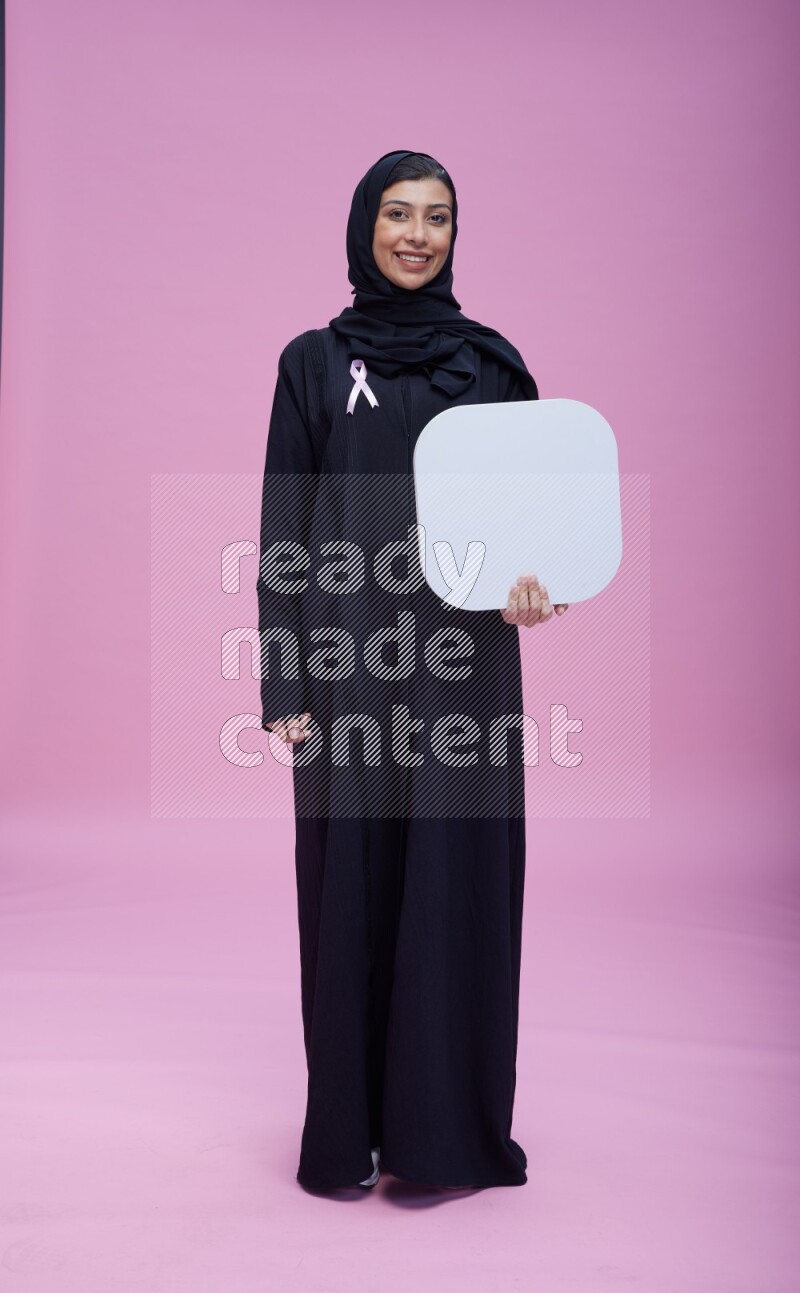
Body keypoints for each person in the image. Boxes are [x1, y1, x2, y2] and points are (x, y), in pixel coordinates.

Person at [256, 150, 568, 1192]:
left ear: (453, 236)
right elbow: (284, 535)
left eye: (437, 217)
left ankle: (442, 1139)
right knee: (351, 895)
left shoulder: (490, 365)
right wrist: (283, 689)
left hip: (464, 677)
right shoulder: (309, 363)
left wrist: (538, 582)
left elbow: (539, 534)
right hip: (345, 678)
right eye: (397, 212)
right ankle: (351, 1136)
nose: (416, 234)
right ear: (363, 224)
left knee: (452, 890)